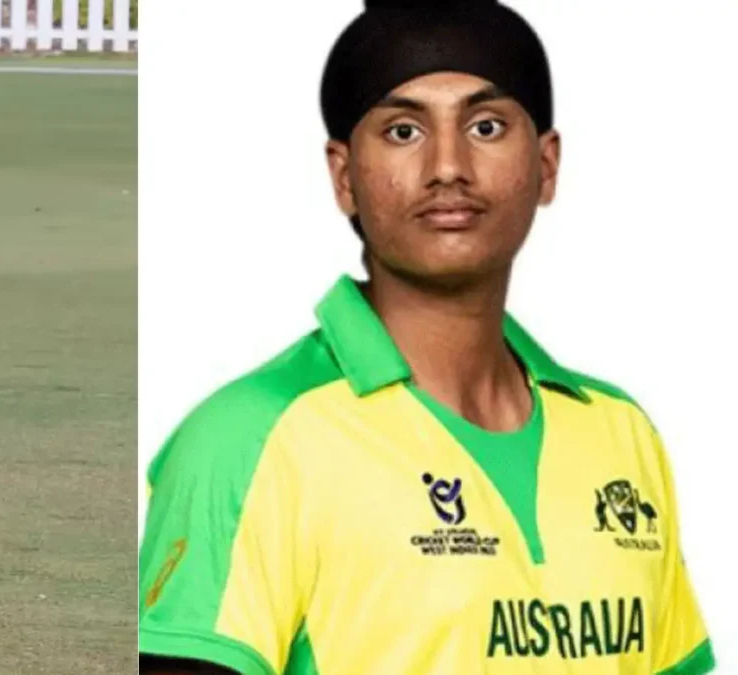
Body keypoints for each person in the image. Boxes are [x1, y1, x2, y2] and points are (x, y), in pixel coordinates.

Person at [137, 1, 714, 673]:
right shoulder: (249, 437)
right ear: (344, 176)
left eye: (486, 126)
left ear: (547, 164)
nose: (447, 167)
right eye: (404, 130)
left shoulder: (622, 432)